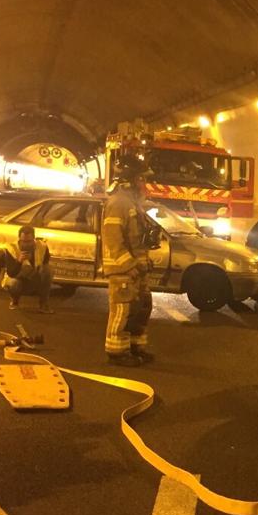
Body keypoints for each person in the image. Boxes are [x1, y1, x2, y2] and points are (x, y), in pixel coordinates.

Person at [102, 157, 156, 367]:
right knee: (122, 311)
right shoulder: (118, 203)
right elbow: (113, 239)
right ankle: (117, 352)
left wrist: (143, 262)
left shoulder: (133, 203)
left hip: (137, 269)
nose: (144, 183)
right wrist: (129, 265)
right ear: (130, 179)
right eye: (141, 178)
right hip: (124, 271)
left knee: (141, 308)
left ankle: (135, 347)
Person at [1, 225, 53, 312]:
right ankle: (15, 301)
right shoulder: (11, 248)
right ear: (19, 239)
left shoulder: (42, 246)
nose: (26, 244)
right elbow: (11, 273)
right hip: (19, 279)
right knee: (13, 283)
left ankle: (44, 304)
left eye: (29, 241)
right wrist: (19, 261)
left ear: (34, 239)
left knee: (48, 270)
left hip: (35, 277)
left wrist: (32, 260)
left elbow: (45, 265)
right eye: (23, 241)